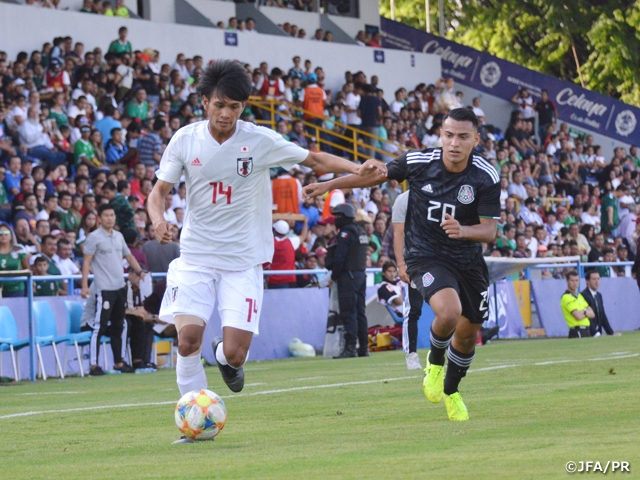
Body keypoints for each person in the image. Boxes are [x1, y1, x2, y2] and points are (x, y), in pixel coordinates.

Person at [147, 61, 383, 443]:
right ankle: (194, 427)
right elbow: (157, 193)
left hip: (242, 262)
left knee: (237, 355)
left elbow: (315, 160)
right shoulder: (185, 140)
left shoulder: (259, 140)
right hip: (195, 258)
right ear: (205, 101)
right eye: (220, 104)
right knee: (188, 340)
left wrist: (361, 167)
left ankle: (225, 357)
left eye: (235, 107)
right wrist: (158, 221)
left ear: (243, 107)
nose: (226, 114)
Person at [304, 108, 500, 421]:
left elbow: (490, 230)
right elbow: (374, 175)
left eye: (463, 137)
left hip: (468, 261)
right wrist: (330, 186)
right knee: (449, 312)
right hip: (426, 254)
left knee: (467, 334)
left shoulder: (485, 175)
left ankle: (451, 391)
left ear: (475, 140)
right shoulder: (418, 162)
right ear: (441, 135)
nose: (454, 143)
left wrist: (464, 230)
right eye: (448, 135)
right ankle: (435, 365)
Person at [81, 204, 146, 376]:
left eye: (112, 215)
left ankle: (119, 361)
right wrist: (85, 285)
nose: (110, 218)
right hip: (104, 287)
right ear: (99, 218)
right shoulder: (94, 237)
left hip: (119, 286)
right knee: (99, 326)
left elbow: (129, 256)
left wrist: (139, 271)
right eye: (106, 215)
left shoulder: (118, 236)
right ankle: (94, 365)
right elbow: (87, 262)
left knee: (120, 324)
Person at [325, 203, 369, 358]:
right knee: (360, 313)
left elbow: (340, 257)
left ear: (345, 217)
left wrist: (333, 276)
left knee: (348, 313)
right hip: (361, 275)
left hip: (348, 277)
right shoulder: (361, 231)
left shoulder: (346, 233)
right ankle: (364, 347)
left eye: (338, 216)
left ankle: (350, 348)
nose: (336, 219)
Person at [391, 190, 423, 371]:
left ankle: (449, 352)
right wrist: (401, 265)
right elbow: (398, 233)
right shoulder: (403, 199)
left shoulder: (442, 191)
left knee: (449, 308)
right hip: (416, 261)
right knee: (413, 310)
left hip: (438, 259)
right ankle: (411, 355)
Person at [560, 270, 595, 338]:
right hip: (577, 330)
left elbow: (592, 314)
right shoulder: (566, 297)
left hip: (587, 329)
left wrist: (583, 312)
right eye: (572, 280)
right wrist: (586, 311)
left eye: (576, 280)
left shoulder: (579, 296)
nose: (575, 283)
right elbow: (578, 316)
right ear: (567, 281)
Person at [580, 270, 614, 337]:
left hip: (598, 332)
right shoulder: (583, 295)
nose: (596, 281)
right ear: (587, 281)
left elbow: (602, 315)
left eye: (598, 279)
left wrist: (611, 333)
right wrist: (596, 334)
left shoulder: (599, 295)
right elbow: (587, 317)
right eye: (594, 279)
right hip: (589, 333)